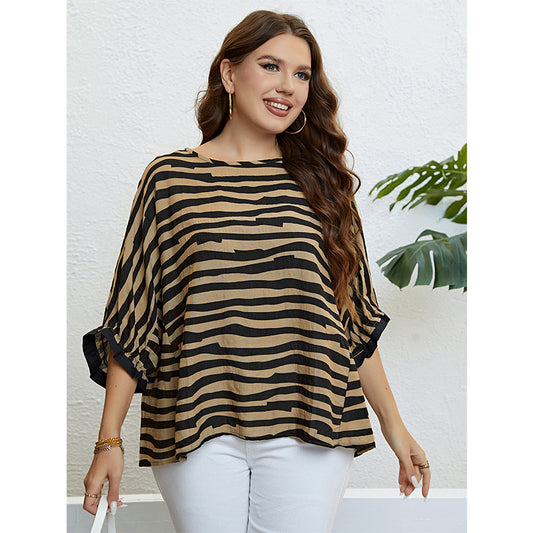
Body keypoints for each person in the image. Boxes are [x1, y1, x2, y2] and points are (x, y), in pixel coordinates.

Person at [82, 9, 431, 533]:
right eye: (271, 66)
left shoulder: (324, 184)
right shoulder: (170, 179)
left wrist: (394, 427)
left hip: (311, 416)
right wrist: (108, 440)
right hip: (194, 416)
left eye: (301, 74)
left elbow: (353, 320)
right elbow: (135, 319)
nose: (287, 86)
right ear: (229, 74)